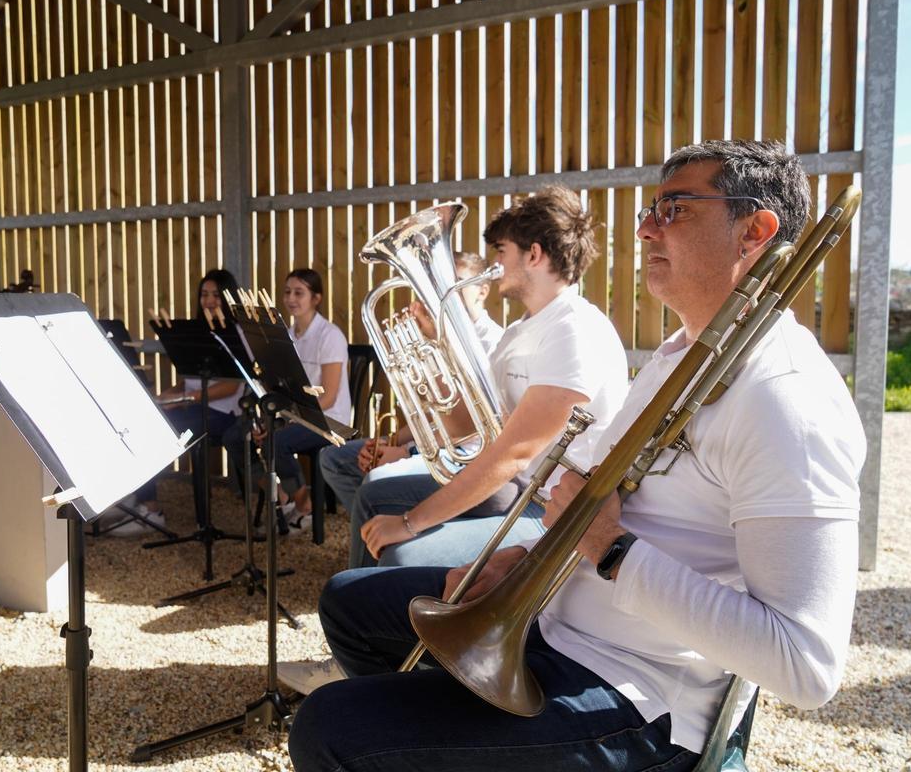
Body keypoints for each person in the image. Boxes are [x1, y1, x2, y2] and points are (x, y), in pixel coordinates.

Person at [285, 140, 868, 772]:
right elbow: (618, 508)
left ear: (754, 230)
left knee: (330, 727)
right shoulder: (681, 355)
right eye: (652, 208)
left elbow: (807, 668)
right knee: (349, 601)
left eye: (674, 209)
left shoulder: (788, 398)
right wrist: (521, 561)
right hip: (566, 622)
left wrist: (614, 554)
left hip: (640, 693)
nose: (644, 228)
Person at [344, 187, 628, 574]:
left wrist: (411, 522)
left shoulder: (575, 329)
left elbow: (516, 452)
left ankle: (382, 613)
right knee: (374, 494)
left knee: (403, 554)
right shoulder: (519, 331)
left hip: (552, 508)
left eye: (501, 251)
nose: (496, 264)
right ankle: (366, 598)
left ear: (533, 254)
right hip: (515, 489)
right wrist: (429, 363)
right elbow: (467, 428)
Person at [314, 251, 506, 545]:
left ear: (483, 289)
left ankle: (380, 543)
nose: (445, 292)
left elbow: (470, 427)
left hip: (466, 457)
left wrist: (408, 454)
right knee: (334, 459)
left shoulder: (492, 345)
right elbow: (431, 413)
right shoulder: (441, 335)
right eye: (440, 284)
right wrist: (390, 440)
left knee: (375, 482)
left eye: (455, 282)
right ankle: (377, 539)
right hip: (434, 445)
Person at [100, 270, 245, 537]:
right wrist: (167, 396)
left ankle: (151, 509)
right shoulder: (195, 331)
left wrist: (186, 399)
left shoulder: (237, 332)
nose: (209, 300)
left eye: (216, 295)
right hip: (195, 406)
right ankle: (135, 497)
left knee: (150, 430)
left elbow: (232, 385)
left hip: (223, 414)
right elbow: (189, 380)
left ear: (228, 298)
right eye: (204, 294)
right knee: (137, 421)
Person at [222, 268, 350, 527]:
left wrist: (286, 423)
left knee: (275, 442)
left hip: (328, 419)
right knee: (235, 437)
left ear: (316, 298)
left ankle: (304, 504)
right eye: (287, 292)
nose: (291, 298)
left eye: (299, 293)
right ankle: (281, 496)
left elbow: (329, 398)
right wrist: (271, 420)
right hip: (293, 415)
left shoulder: (330, 335)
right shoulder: (287, 336)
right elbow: (278, 389)